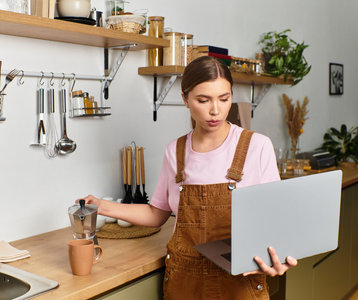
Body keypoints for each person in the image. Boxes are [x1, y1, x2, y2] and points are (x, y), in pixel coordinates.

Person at [79, 56, 297, 299]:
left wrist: (279, 256)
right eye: (203, 100)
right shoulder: (175, 151)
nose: (215, 110)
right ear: (185, 99)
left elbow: (277, 221)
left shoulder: (256, 146)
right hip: (185, 282)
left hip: (240, 284)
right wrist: (102, 206)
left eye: (224, 99)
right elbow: (157, 214)